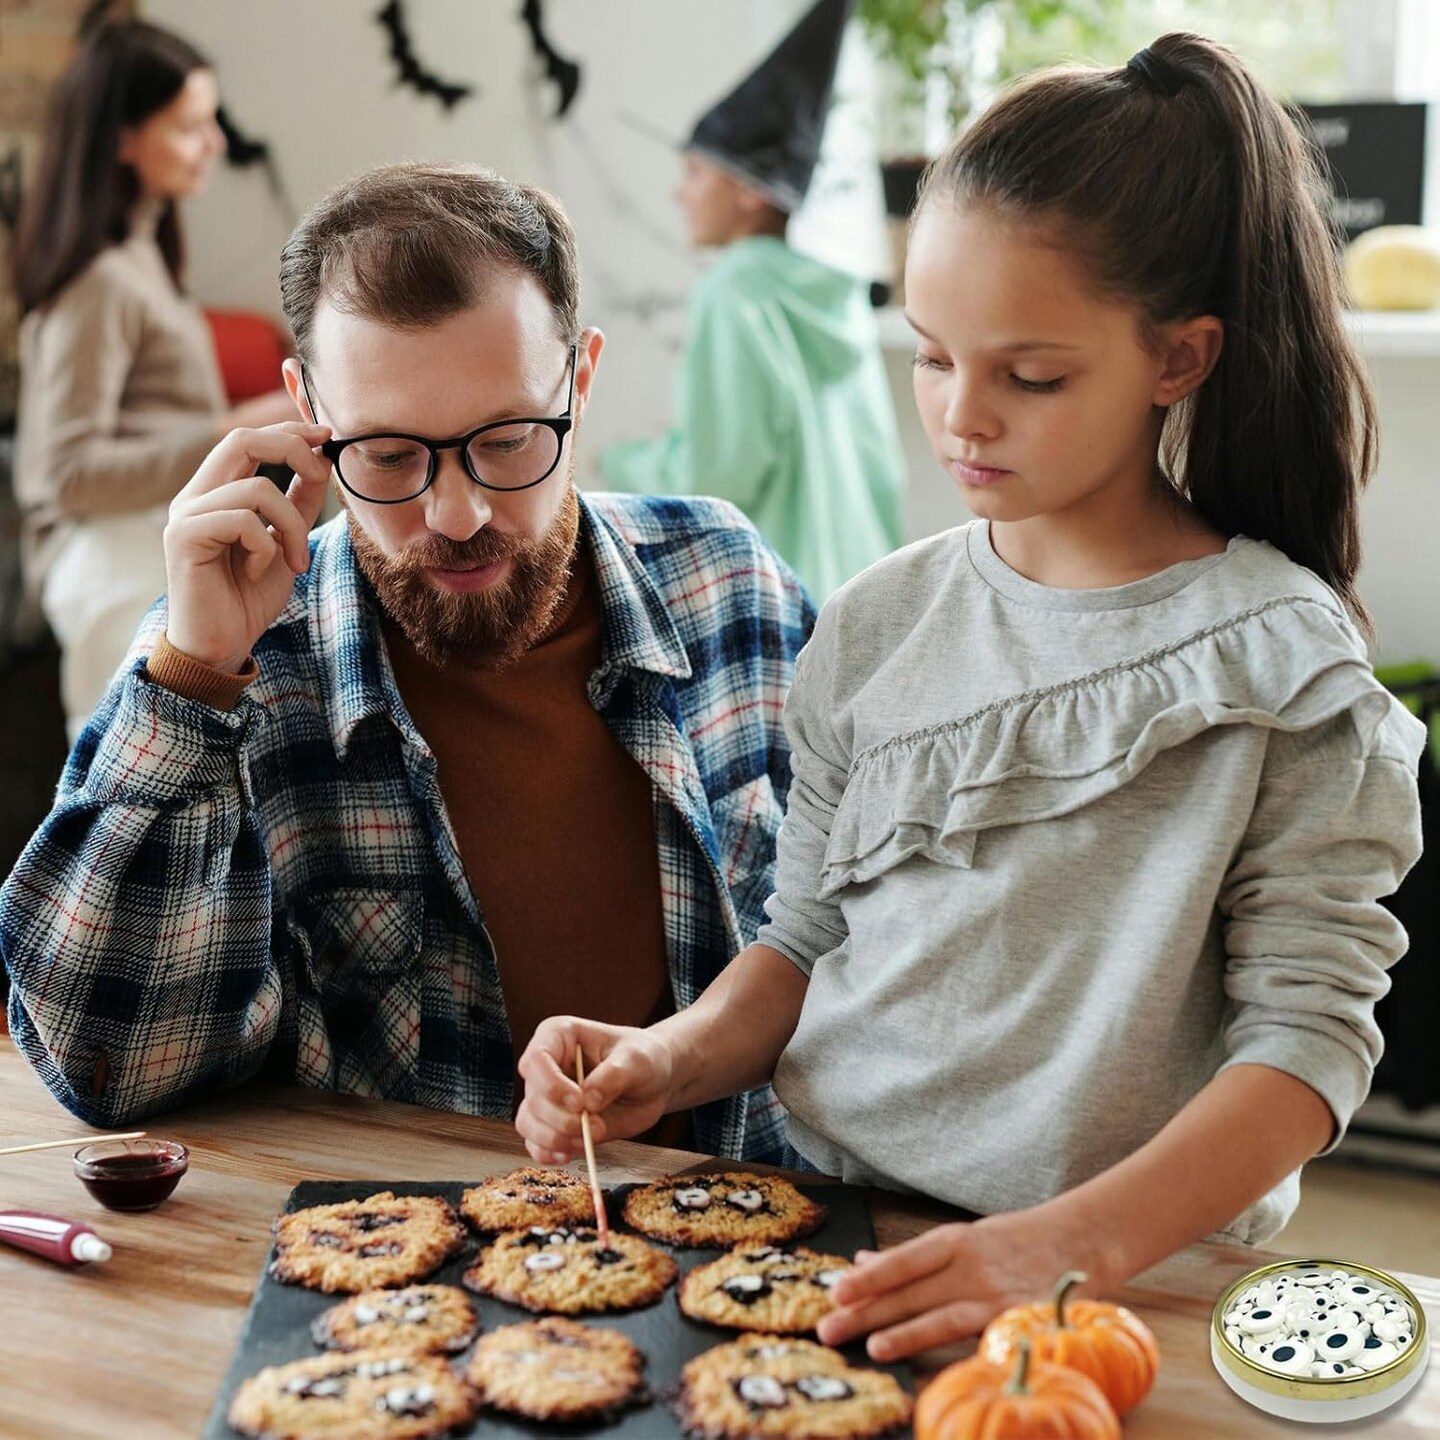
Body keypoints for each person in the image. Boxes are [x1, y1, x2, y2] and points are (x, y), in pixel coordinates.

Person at [516, 34, 1427, 1359]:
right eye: (934, 357)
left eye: (1030, 375)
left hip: (1121, 1287)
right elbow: (803, 938)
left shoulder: (1286, 671)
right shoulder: (880, 620)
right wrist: (678, 1053)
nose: (961, 418)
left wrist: (1070, 1246)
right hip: (823, 1237)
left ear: (1178, 358)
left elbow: (1310, 1047)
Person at [0, 163, 813, 1166]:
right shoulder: (237, 660)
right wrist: (195, 678)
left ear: (582, 379)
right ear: (307, 410)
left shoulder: (733, 589)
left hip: (742, 1250)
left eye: (511, 441)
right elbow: (108, 1067)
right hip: (395, 1288)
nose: (458, 515)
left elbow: (867, 947)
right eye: (387, 456)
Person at [11, 19, 295, 742]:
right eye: (191, 126)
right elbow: (63, 473)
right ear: (123, 139)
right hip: (112, 563)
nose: (216, 143)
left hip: (147, 546)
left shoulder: (145, 259)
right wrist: (236, 429)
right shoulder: (103, 281)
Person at [599, 0, 906, 601]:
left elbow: (716, 477)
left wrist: (621, 463)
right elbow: (879, 473)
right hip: (865, 592)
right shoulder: (835, 298)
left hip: (780, 602)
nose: (679, 193)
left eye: (695, 173)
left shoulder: (734, 289)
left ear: (747, 193)